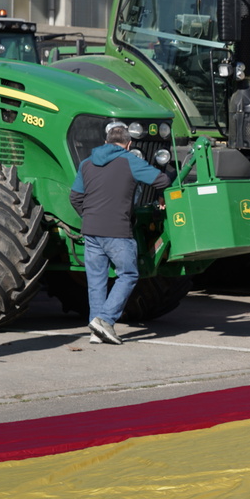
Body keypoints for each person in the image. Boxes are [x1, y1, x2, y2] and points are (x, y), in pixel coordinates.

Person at [70, 121, 171, 345]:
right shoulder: (129, 160)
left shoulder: (86, 163)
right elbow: (162, 180)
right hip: (117, 230)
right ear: (128, 144)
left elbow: (75, 197)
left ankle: (96, 331)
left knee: (96, 281)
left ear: (105, 142)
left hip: (91, 231)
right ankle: (105, 320)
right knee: (128, 275)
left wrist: (89, 216)